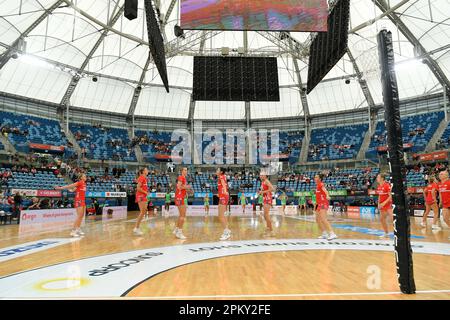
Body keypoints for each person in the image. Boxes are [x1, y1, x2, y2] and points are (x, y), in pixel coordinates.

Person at [55, 173, 87, 237]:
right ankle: (73, 231)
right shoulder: (79, 182)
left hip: (83, 200)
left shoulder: (84, 183)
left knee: (81, 216)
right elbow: (70, 186)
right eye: (84, 176)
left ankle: (78, 228)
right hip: (78, 200)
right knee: (79, 216)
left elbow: (73, 190)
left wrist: (72, 190)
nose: (86, 177)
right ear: (81, 177)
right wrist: (60, 188)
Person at [314, 174, 338, 240]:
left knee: (323, 219)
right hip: (318, 204)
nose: (314, 178)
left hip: (323, 203)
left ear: (319, 179)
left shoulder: (321, 184)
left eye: (316, 177)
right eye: (315, 177)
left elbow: (325, 190)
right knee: (317, 219)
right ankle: (324, 234)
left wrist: (327, 195)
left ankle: (332, 234)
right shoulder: (317, 186)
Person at [173, 167, 191, 240]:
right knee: (183, 216)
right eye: (185, 170)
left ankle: (176, 230)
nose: (186, 171)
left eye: (187, 170)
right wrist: (187, 187)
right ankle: (179, 233)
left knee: (181, 215)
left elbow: (181, 187)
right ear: (181, 171)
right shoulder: (181, 177)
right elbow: (179, 187)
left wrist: (186, 191)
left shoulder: (183, 178)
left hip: (180, 197)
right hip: (180, 198)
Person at [376, 174, 393, 238]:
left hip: (388, 205)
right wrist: (378, 203)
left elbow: (390, 196)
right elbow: (380, 196)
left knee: (393, 219)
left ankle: (399, 233)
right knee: (382, 219)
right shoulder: (379, 186)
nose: (377, 178)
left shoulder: (386, 185)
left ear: (382, 178)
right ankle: (386, 233)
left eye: (378, 177)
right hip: (382, 206)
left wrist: (384, 203)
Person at [132, 168, 149, 236]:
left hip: (143, 195)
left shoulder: (144, 178)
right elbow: (138, 188)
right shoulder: (142, 177)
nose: (147, 171)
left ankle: (137, 227)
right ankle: (136, 228)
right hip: (141, 195)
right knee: (142, 211)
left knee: (144, 211)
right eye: (146, 170)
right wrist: (145, 192)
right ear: (143, 172)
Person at [217, 167, 231, 241]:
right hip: (222, 196)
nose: (216, 171)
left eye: (218, 170)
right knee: (221, 215)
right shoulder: (223, 176)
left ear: (221, 171)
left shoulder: (221, 176)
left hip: (223, 196)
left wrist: (225, 191)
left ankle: (226, 233)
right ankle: (227, 230)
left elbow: (224, 185)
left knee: (221, 216)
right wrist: (220, 193)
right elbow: (223, 185)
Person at [259, 172, 274, 237]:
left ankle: (271, 230)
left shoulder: (266, 181)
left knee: (266, 215)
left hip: (268, 198)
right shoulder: (263, 182)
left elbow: (272, 189)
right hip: (265, 198)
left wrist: (263, 192)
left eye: (262, 175)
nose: (261, 176)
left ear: (265, 176)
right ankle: (268, 228)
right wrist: (261, 193)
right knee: (265, 215)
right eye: (260, 175)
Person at [437, 170, 450, 240]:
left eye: (441, 174)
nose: (440, 175)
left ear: (446, 175)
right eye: (439, 174)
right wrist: (440, 202)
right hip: (445, 204)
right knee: (445, 219)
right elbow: (440, 194)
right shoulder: (440, 184)